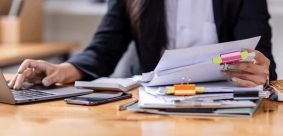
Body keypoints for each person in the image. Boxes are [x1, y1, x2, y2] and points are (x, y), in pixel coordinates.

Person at [9, 0, 277, 89]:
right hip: (150, 105)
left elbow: (261, 57)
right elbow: (105, 45)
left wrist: (261, 74)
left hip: (225, 107)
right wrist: (64, 69)